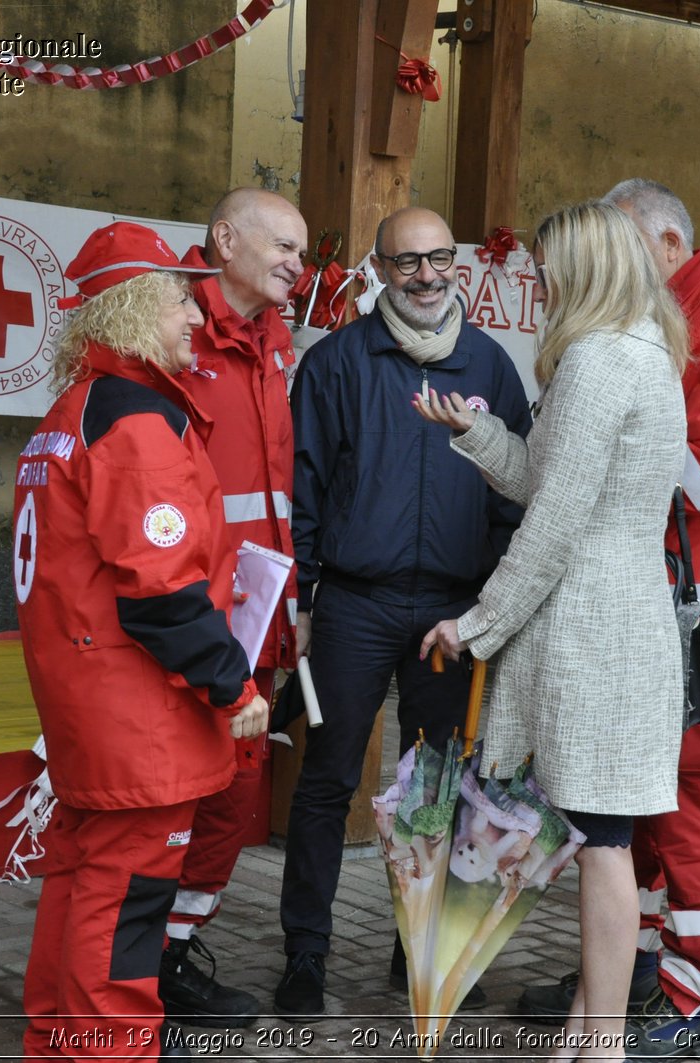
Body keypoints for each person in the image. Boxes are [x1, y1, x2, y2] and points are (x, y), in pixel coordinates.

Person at [516, 179, 700, 1058]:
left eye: (623, 243)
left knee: (690, 806)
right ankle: (625, 972)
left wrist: (594, 447)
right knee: (624, 800)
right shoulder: (652, 327)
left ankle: (693, 994)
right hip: (648, 607)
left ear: (668, 246)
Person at [417, 199, 690, 1062]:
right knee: (598, 834)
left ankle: (600, 1041)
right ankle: (589, 1026)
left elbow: (555, 519)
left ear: (584, 269)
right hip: (620, 613)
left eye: (546, 270)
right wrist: (479, 431)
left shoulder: (601, 360)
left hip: (593, 628)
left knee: (603, 840)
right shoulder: (643, 349)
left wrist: (478, 624)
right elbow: (547, 478)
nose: (539, 284)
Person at [14, 221, 269, 1060]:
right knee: (126, 907)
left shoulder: (72, 412)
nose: (194, 317)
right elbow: (161, 595)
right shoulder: (136, 423)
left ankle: (59, 1043)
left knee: (80, 882)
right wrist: (234, 686)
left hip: (88, 699)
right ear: (129, 308)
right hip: (138, 713)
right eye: (176, 300)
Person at [275, 206, 532, 1019]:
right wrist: (302, 598)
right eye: (407, 262)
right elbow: (302, 488)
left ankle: (416, 952)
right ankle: (304, 957)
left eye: (440, 259)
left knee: (435, 790)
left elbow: (514, 492)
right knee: (327, 781)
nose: (427, 276)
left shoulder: (492, 365)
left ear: (458, 264)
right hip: (354, 602)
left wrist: (495, 605)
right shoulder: (339, 362)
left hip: (452, 613)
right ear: (379, 269)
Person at [158, 188, 308, 1029]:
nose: (297, 261)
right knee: (175, 785)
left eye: (301, 249)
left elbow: (278, 490)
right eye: (281, 244)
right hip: (184, 612)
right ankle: (138, 962)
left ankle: (171, 951)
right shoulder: (172, 330)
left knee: (232, 786)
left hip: (256, 613)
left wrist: (295, 605)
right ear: (224, 238)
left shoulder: (275, 337)